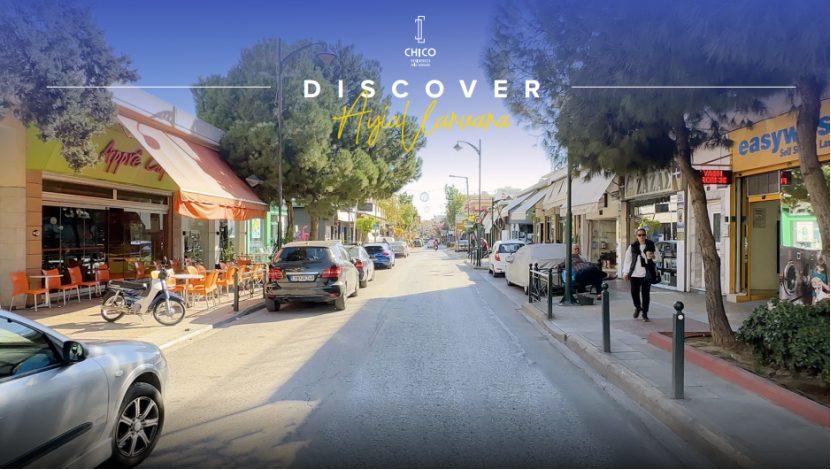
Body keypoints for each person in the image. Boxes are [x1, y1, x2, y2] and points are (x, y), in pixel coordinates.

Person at [623, 228, 661, 322]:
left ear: (645, 236)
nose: (641, 237)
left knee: (645, 294)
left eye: (643, 235)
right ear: (636, 236)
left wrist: (653, 257)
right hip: (635, 274)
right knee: (634, 292)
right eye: (639, 235)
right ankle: (638, 307)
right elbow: (627, 261)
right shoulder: (632, 247)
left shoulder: (651, 245)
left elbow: (659, 258)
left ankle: (645, 313)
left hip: (647, 274)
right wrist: (625, 273)